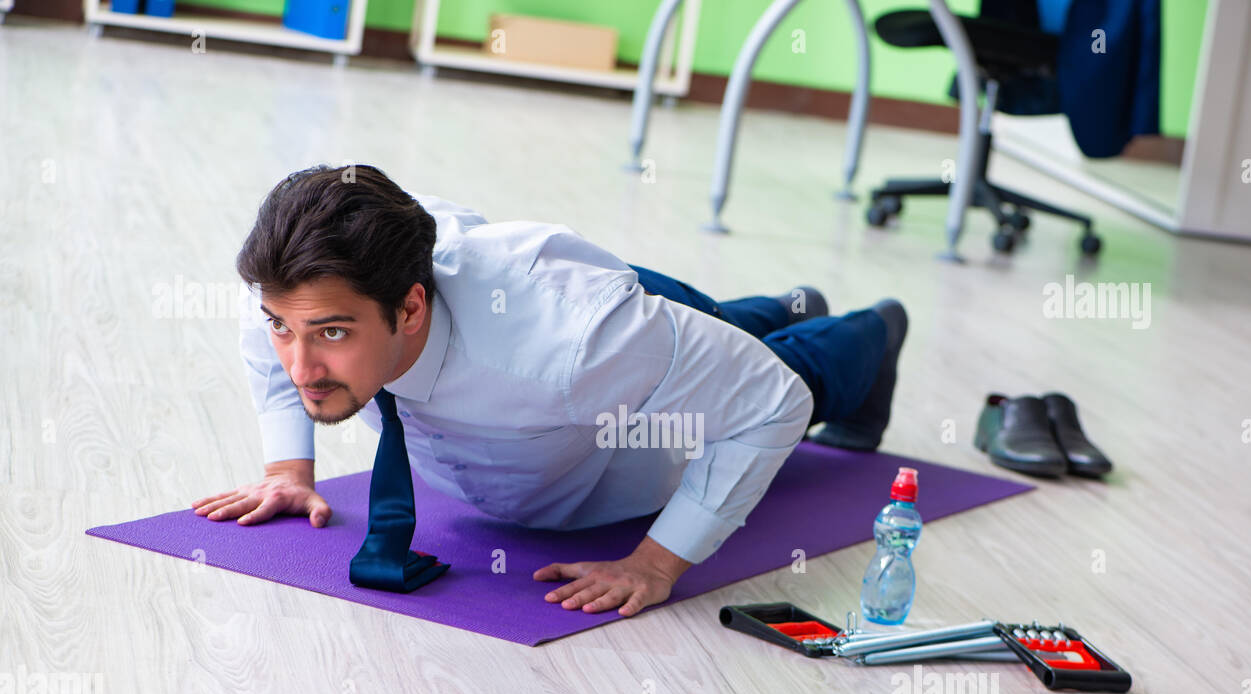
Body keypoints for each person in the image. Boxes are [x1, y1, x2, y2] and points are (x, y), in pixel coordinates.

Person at [191, 165, 907, 618]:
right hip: (583, 314)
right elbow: (275, 337)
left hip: (605, 335)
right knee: (715, 330)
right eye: (284, 327)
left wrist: (657, 564)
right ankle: (782, 303)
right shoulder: (309, 300)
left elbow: (769, 401)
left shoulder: (576, 348)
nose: (299, 363)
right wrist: (289, 468)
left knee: (783, 369)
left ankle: (869, 331)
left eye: (331, 335)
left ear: (409, 309)